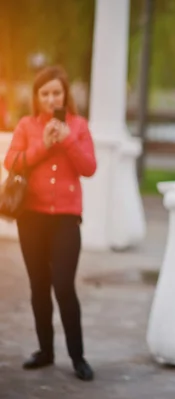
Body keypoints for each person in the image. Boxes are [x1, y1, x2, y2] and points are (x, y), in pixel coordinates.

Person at [3, 66, 97, 381]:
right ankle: (45, 351)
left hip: (66, 220)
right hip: (31, 218)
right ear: (37, 97)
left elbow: (89, 167)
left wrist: (68, 140)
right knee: (39, 286)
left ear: (64, 94)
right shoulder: (28, 125)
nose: (51, 98)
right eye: (45, 93)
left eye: (56, 92)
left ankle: (78, 356)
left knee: (64, 286)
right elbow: (11, 161)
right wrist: (42, 143)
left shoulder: (79, 126)